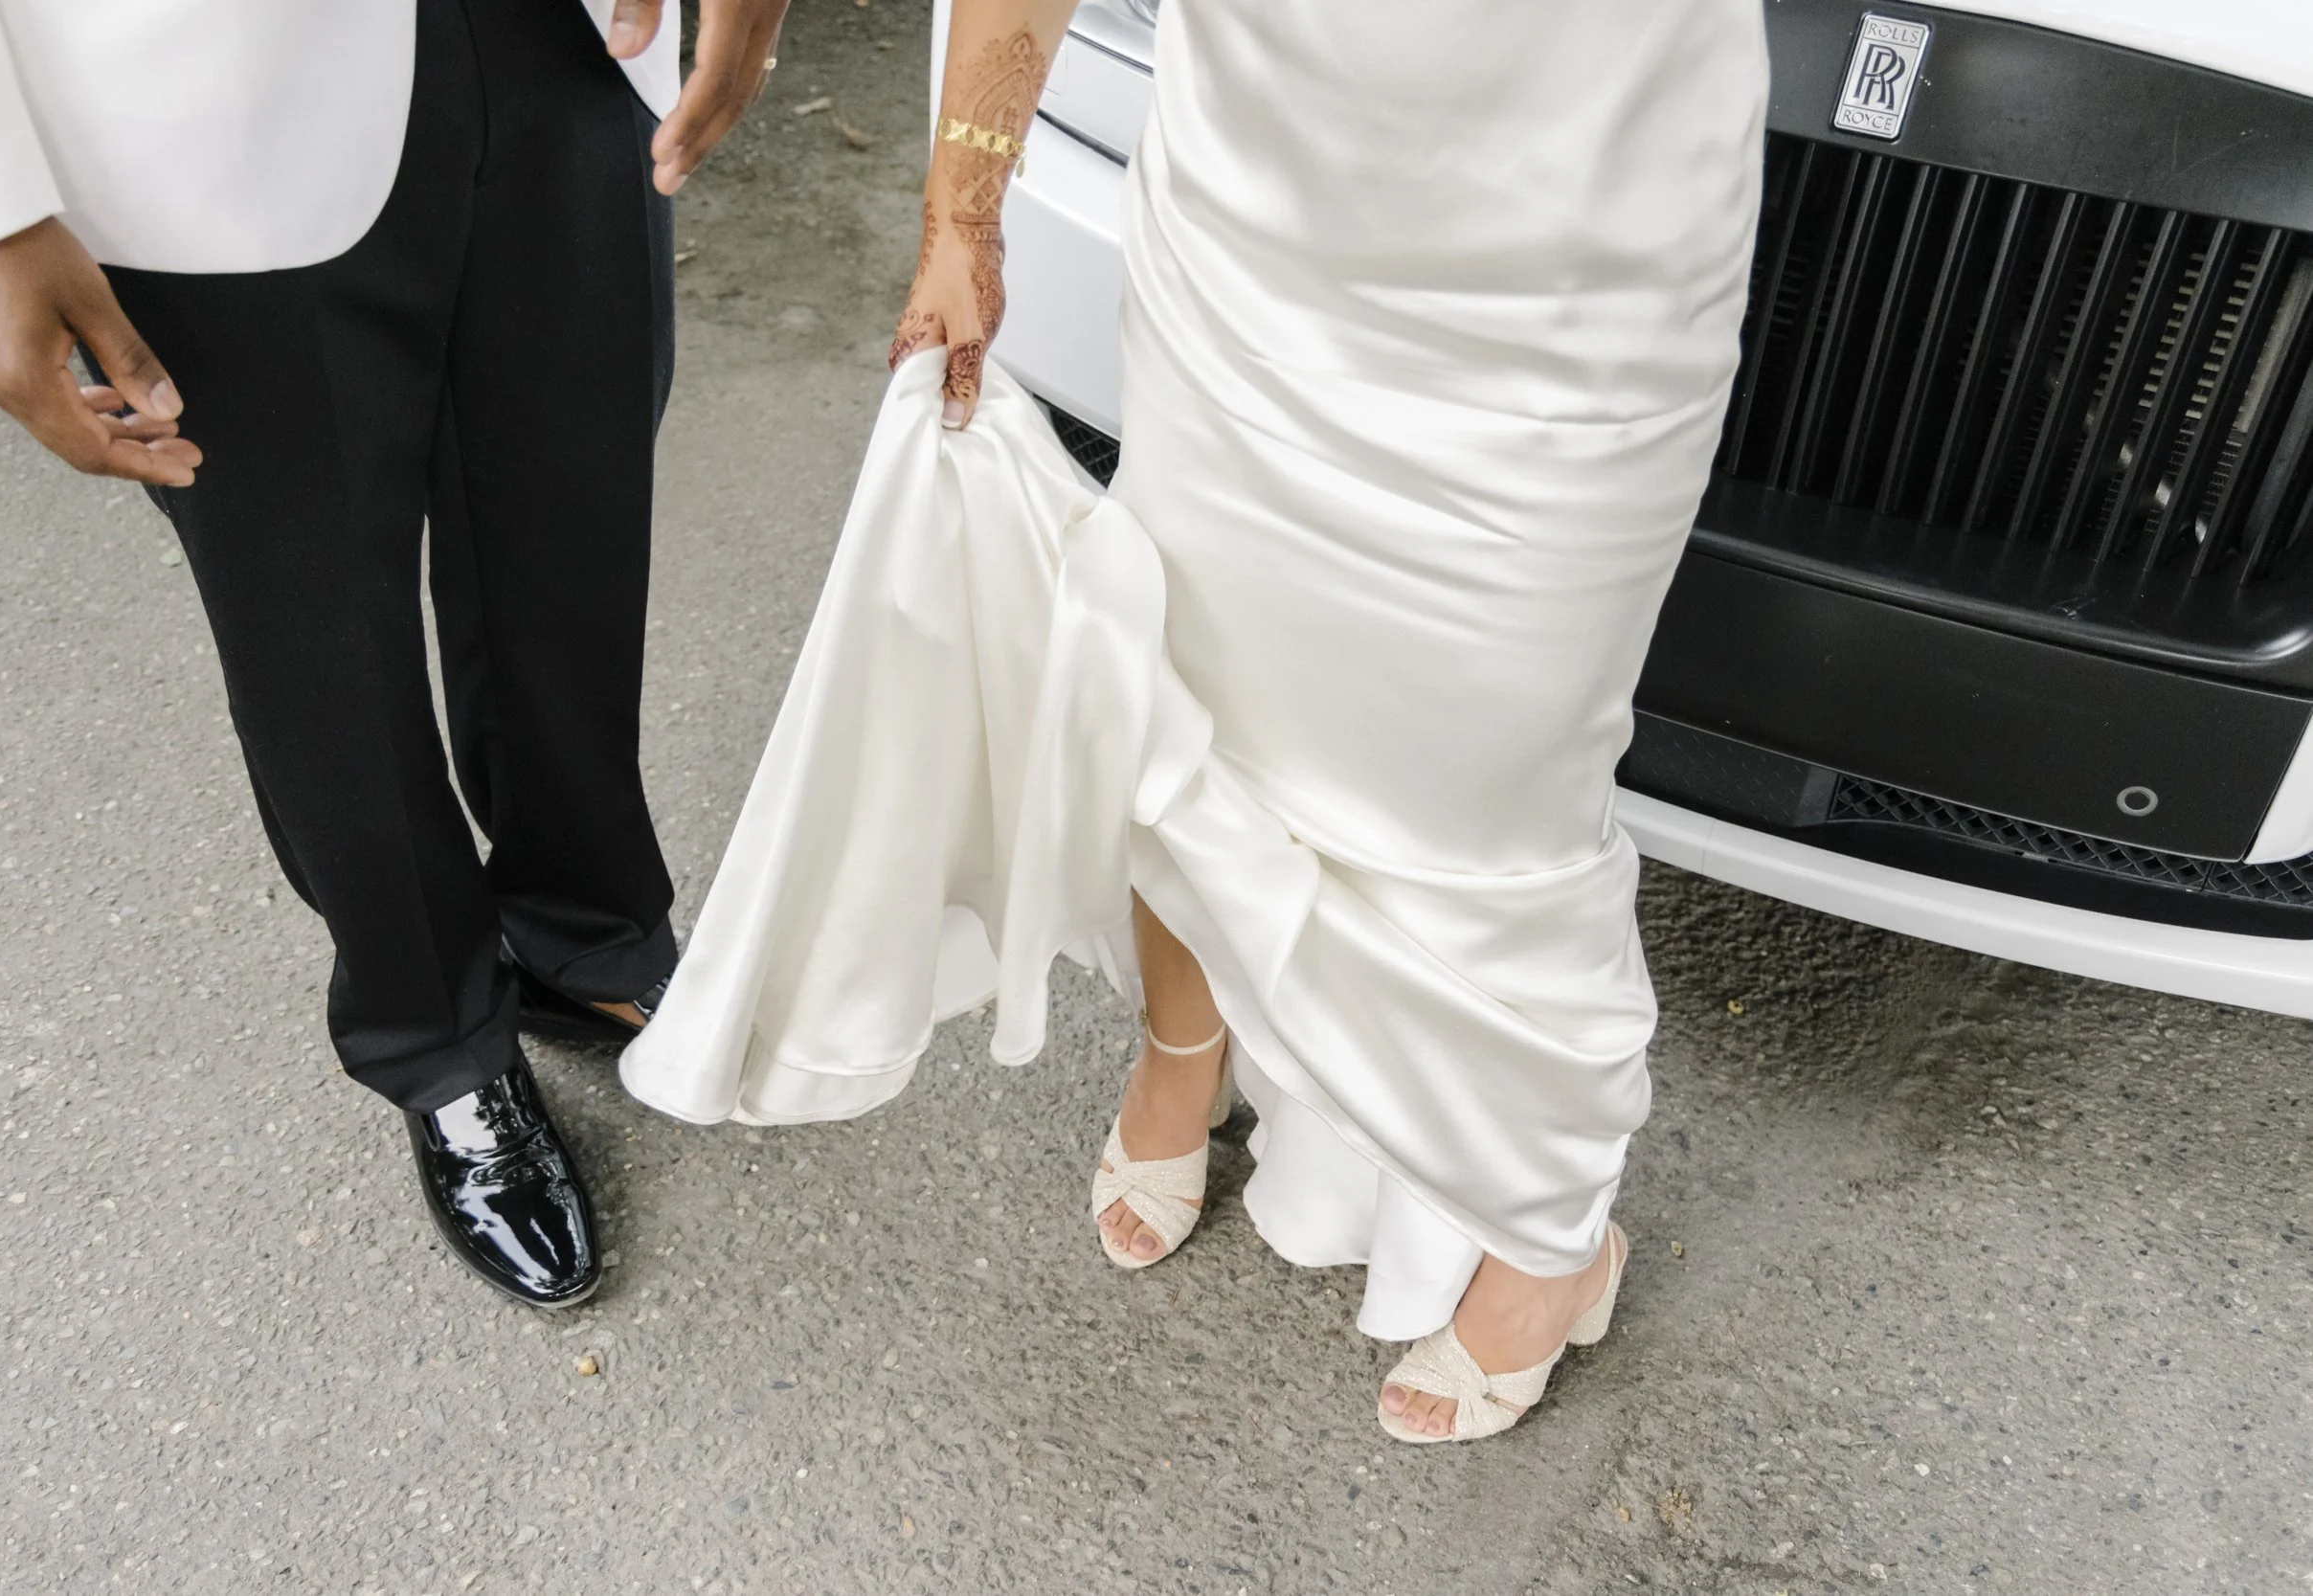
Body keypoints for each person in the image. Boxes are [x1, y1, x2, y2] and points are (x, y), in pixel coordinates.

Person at [621, 0, 1765, 1443]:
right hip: (1264, 220)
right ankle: (1186, 1042)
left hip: (1585, 238)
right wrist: (963, 206)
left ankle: (1549, 1226)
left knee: (1500, 772)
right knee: (1197, 677)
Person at [0, 0, 786, 1308]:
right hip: (197, 88)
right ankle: (435, 1029)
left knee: (574, 500)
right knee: (314, 613)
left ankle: (586, 925)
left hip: (572, 34)